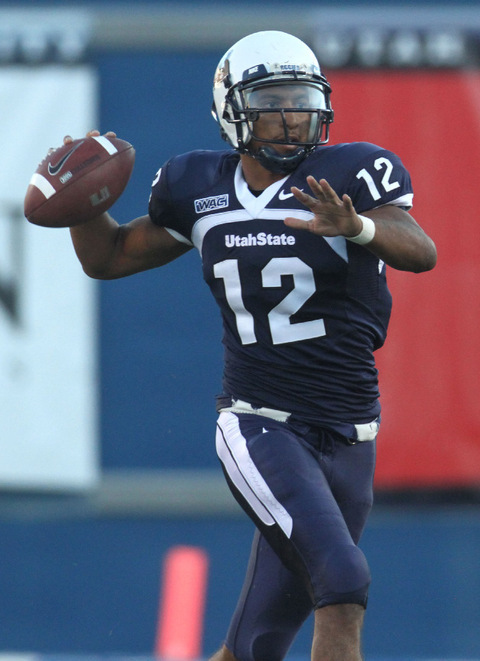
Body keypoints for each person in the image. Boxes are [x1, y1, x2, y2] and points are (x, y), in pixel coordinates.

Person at [63, 31, 436, 661]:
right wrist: (79, 204)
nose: (291, 116)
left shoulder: (349, 175)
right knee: (344, 582)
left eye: (302, 99)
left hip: (350, 436)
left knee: (255, 646)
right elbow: (112, 254)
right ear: (231, 109)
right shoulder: (195, 186)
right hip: (261, 424)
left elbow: (420, 251)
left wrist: (358, 226)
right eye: (272, 100)